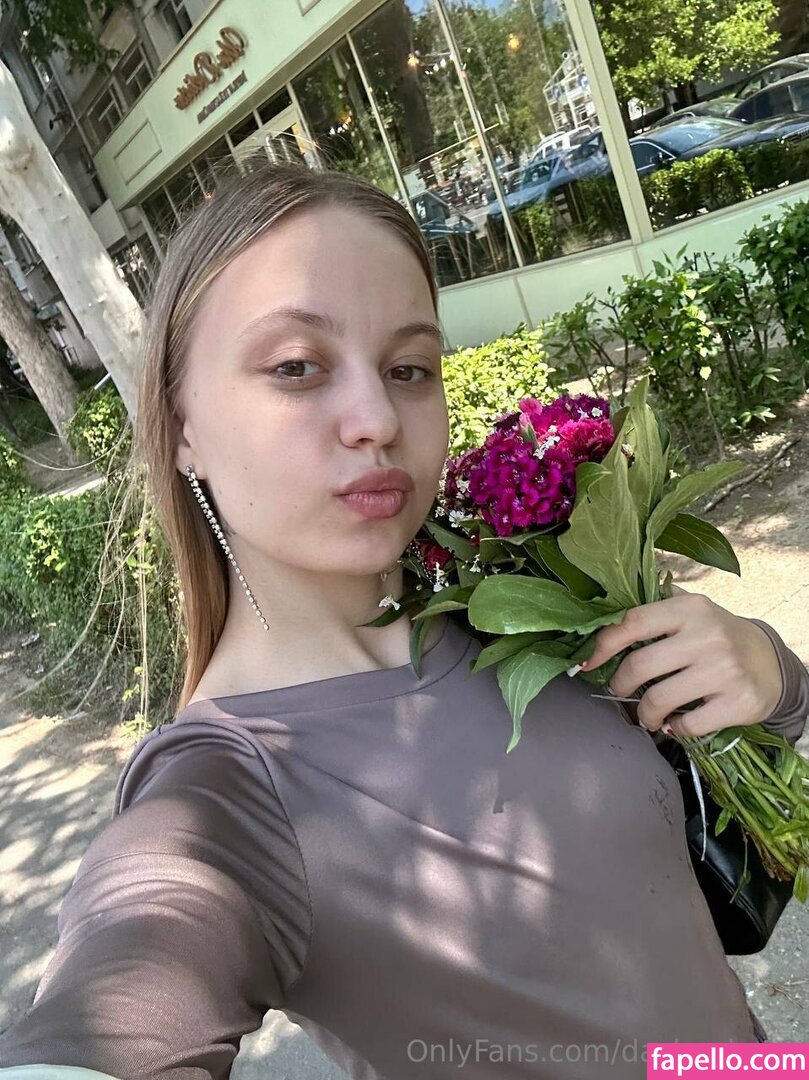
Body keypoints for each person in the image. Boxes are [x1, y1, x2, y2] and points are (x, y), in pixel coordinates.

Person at [0, 160, 806, 1080]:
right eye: (296, 367)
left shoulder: (516, 592)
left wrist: (766, 672)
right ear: (182, 425)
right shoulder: (225, 792)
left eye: (409, 368)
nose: (376, 417)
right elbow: (124, 976)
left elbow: (728, 776)